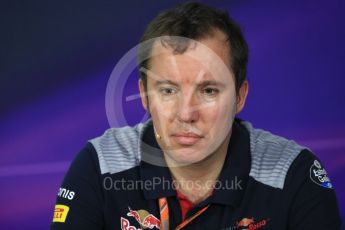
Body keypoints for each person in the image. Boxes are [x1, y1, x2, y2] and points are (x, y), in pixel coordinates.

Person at [51, 2, 341, 230]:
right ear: (144, 95)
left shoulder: (294, 173)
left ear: (240, 96)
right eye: (168, 90)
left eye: (209, 91)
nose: (187, 114)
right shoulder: (100, 164)